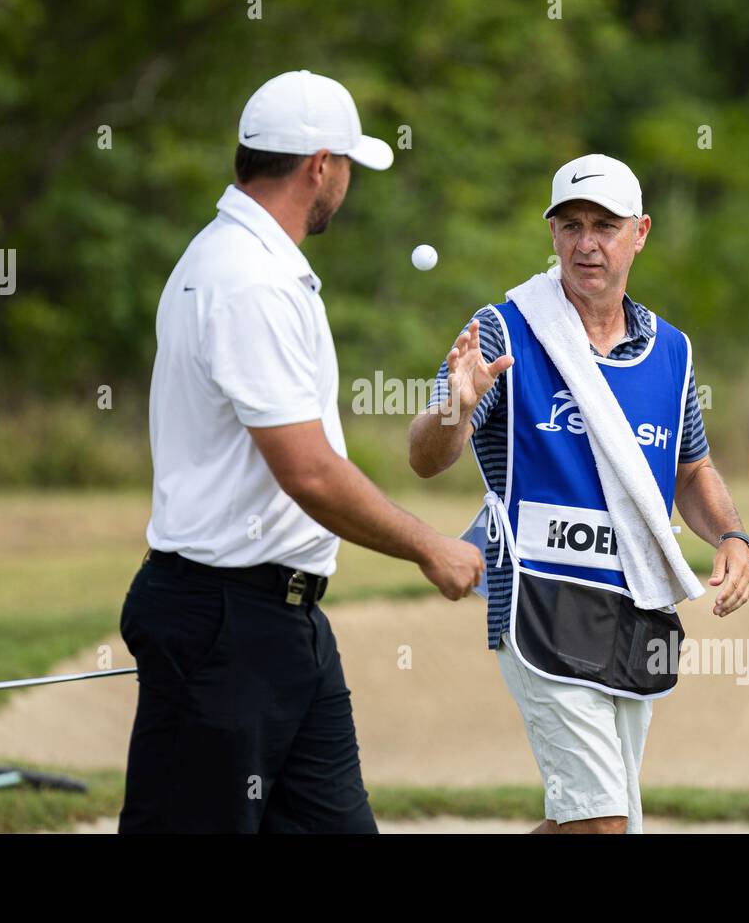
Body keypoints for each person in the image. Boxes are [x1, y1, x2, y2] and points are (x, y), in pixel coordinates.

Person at [119, 70, 485, 834]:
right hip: (225, 624)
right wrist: (429, 548)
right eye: (347, 165)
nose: (347, 184)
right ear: (320, 165)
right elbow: (309, 472)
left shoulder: (247, 261)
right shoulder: (248, 278)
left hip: (284, 629)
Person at [408, 153, 749, 834]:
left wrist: (734, 536)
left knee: (604, 825)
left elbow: (691, 471)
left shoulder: (673, 351)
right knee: (599, 823)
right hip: (538, 600)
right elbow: (426, 457)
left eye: (605, 225)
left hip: (634, 605)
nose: (586, 243)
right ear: (553, 235)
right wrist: (455, 407)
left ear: (641, 233)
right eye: (570, 225)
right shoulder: (507, 331)